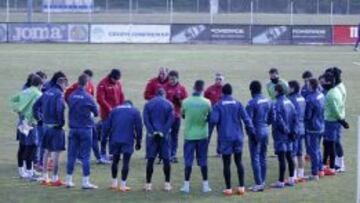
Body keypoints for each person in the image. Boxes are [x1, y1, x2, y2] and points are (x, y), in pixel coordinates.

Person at [210, 83, 255, 196]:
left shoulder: (218, 105)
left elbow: (213, 121)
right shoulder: (238, 103)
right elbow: (247, 119)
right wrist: (252, 132)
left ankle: (229, 188)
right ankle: (241, 187)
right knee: (239, 161)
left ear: (222, 93)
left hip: (225, 137)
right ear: (231, 92)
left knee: (226, 163)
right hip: (238, 137)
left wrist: (208, 136)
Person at [33, 71, 68, 186]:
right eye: (65, 85)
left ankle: (44, 176)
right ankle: (55, 178)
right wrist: (61, 123)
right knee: (56, 154)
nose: (65, 88)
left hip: (45, 126)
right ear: (62, 83)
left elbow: (35, 106)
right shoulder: (59, 94)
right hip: (55, 127)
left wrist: (38, 118)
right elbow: (59, 109)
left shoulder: (47, 92)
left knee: (46, 151)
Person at [65, 74, 99, 189]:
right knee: (85, 156)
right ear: (87, 83)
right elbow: (96, 112)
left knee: (71, 155)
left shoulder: (72, 96)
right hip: (85, 129)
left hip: (73, 129)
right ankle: (85, 182)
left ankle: (68, 180)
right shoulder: (88, 97)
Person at [180, 80, 211, 193]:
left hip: (189, 135)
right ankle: (205, 186)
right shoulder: (207, 102)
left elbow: (183, 115)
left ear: (193, 88)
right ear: (202, 89)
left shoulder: (185, 102)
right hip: (202, 135)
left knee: (188, 161)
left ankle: (186, 186)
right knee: (203, 161)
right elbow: (209, 116)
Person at [65, 69, 102, 164]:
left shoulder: (90, 86)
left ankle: (98, 157)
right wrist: (72, 106)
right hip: (80, 117)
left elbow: (92, 99)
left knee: (94, 135)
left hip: (89, 115)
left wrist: (92, 111)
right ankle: (79, 157)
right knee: (81, 137)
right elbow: (66, 95)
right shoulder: (75, 86)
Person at [104, 100, 142, 192]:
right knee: (126, 162)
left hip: (115, 139)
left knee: (115, 161)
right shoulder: (135, 111)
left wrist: (104, 137)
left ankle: (114, 183)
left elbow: (107, 125)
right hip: (127, 139)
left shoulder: (114, 110)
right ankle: (123, 185)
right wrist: (138, 141)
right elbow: (139, 127)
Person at [10, 75, 43, 179]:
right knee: (32, 147)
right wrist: (39, 119)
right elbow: (36, 109)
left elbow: (12, 100)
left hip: (21, 122)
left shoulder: (25, 91)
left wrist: (18, 110)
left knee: (22, 146)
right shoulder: (38, 94)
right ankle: (30, 172)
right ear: (39, 84)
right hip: (30, 123)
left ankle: (22, 171)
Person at [143, 89, 174, 192]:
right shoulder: (169, 104)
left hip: (151, 137)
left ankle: (148, 185)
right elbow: (171, 120)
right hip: (164, 137)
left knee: (150, 160)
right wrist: (163, 132)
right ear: (164, 94)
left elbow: (146, 120)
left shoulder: (148, 104)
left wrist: (153, 132)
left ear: (155, 94)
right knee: (166, 160)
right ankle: (167, 184)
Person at [246, 81, 271, 192]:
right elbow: (272, 116)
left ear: (252, 90)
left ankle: (259, 183)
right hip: (265, 130)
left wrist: (251, 133)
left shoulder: (252, 102)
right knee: (263, 156)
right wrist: (266, 124)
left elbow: (248, 121)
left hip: (256, 131)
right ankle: (263, 181)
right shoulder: (267, 100)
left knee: (255, 157)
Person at [271, 84, 298, 188]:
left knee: (282, 158)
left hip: (281, 135)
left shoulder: (277, 103)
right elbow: (295, 117)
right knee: (289, 157)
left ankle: (281, 181)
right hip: (290, 134)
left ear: (277, 91)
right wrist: (293, 132)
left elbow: (279, 120)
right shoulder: (289, 102)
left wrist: (287, 131)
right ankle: (291, 179)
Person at [322, 72, 349, 176]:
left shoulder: (330, 94)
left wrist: (341, 120)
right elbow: (341, 106)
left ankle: (333, 167)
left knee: (331, 144)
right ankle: (337, 165)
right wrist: (341, 119)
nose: (323, 84)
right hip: (336, 121)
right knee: (335, 142)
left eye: (324, 82)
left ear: (329, 82)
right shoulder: (337, 91)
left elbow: (334, 110)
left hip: (331, 121)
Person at [97, 69, 125, 163]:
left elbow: (121, 95)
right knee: (104, 135)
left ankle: (113, 153)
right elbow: (100, 99)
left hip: (116, 114)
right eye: (115, 79)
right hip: (106, 115)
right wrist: (109, 108)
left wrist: (121, 107)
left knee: (115, 135)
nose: (116, 81)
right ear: (111, 77)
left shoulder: (118, 83)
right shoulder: (102, 84)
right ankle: (103, 154)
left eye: (118, 80)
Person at [164, 70, 188, 163]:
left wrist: (179, 101)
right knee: (166, 135)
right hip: (166, 116)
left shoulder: (182, 89)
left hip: (177, 116)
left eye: (173, 79)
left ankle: (173, 154)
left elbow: (185, 104)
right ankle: (166, 153)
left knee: (174, 136)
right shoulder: (164, 88)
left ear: (177, 78)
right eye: (170, 79)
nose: (171, 81)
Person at [304, 78, 325, 181]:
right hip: (321, 125)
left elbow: (308, 115)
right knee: (318, 149)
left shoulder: (310, 98)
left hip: (313, 127)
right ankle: (321, 169)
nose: (307, 86)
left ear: (311, 85)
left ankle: (315, 173)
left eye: (308, 84)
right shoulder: (321, 94)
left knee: (313, 150)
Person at [288, 80, 306, 182]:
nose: (287, 89)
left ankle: (294, 175)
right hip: (302, 127)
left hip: (294, 128)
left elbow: (290, 115)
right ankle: (301, 174)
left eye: (289, 87)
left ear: (293, 88)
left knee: (293, 153)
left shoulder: (291, 99)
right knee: (300, 152)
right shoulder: (302, 98)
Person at [332, 67, 348, 172]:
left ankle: (341, 164)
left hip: (338, 117)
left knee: (337, 141)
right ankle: (337, 162)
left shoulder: (338, 89)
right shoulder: (339, 86)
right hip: (338, 116)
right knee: (334, 141)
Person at [205, 72, 224, 157]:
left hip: (222, 115)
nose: (218, 80)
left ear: (223, 80)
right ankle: (204, 151)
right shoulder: (209, 89)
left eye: (220, 79)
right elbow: (205, 100)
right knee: (208, 133)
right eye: (217, 79)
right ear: (215, 80)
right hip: (211, 114)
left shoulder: (225, 90)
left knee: (221, 134)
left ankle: (219, 152)